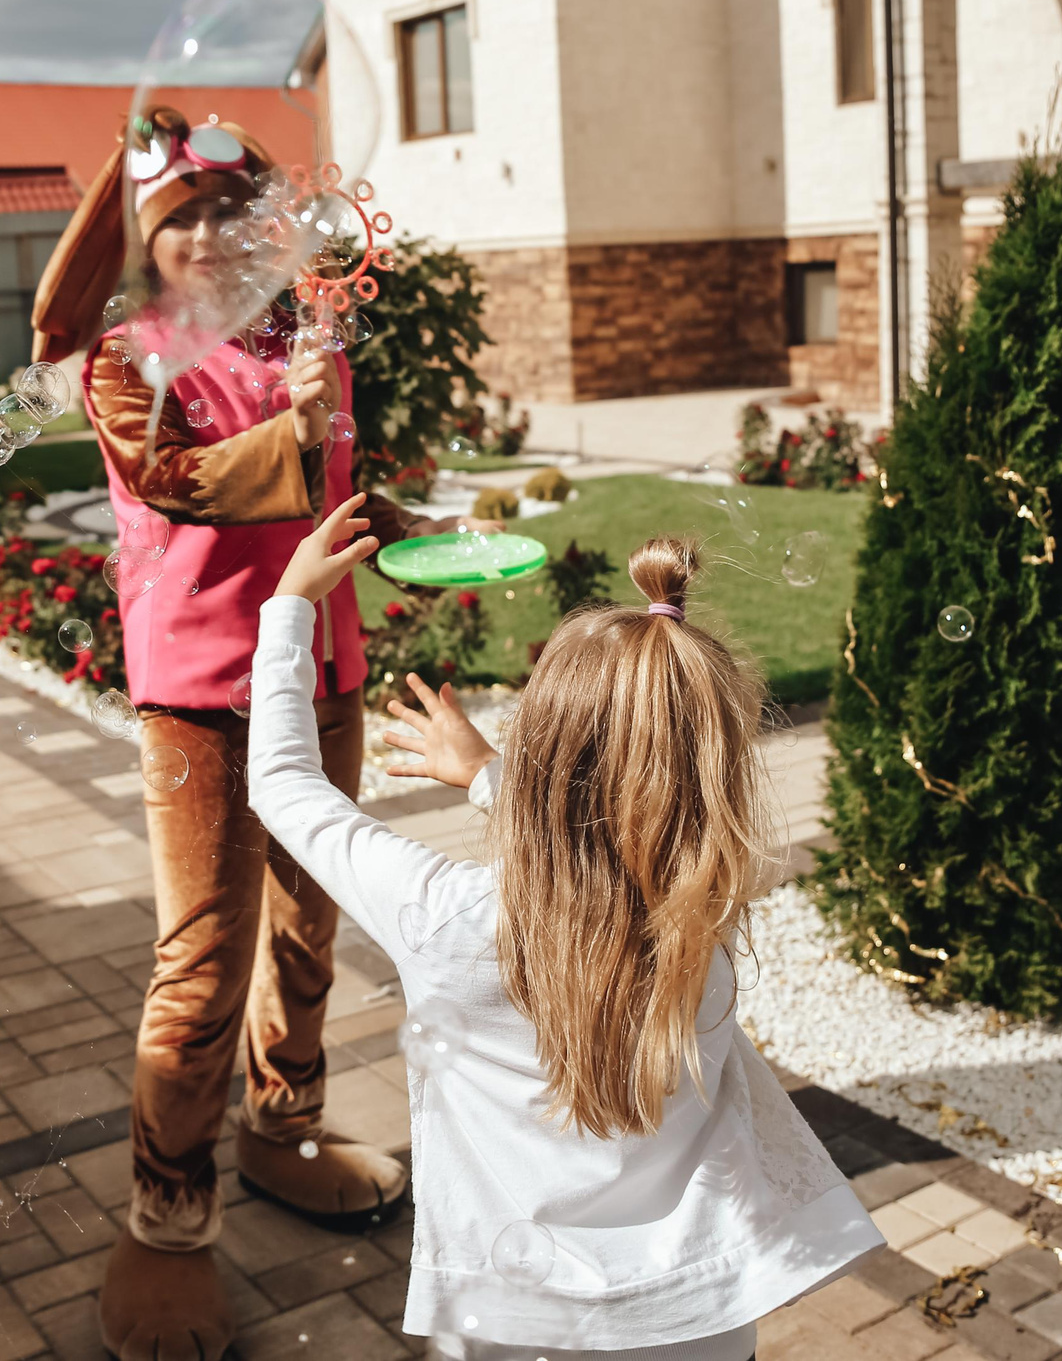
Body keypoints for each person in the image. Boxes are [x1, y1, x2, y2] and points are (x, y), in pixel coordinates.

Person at [28, 112, 498, 1361]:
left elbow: (325, 478)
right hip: (203, 695)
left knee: (308, 926)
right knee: (200, 969)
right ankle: (167, 1221)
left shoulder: (304, 335)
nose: (214, 234)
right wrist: (294, 434)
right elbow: (177, 482)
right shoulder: (125, 359)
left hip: (323, 672)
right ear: (144, 240)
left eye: (235, 210)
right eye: (184, 214)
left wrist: (399, 528)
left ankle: (280, 1131)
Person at [250, 499, 887, 1359]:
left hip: (510, 1323)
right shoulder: (705, 915)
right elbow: (631, 833)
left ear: (540, 751)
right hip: (695, 1320)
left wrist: (290, 603)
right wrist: (488, 778)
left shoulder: (442, 918)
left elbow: (287, 786)